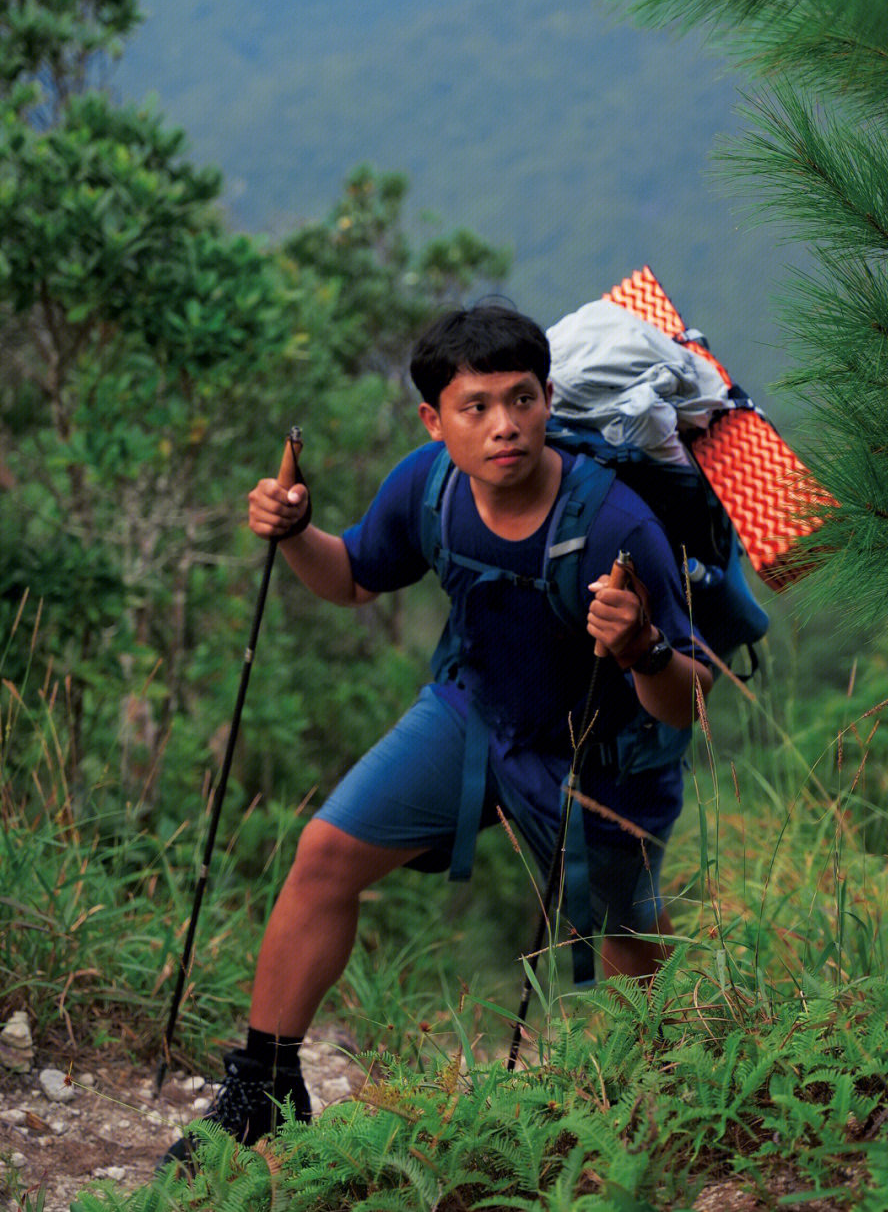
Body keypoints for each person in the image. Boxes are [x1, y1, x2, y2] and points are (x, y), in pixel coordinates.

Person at [161, 304, 712, 1165]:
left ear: (548, 398)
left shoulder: (615, 524)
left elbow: (686, 702)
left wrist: (641, 647)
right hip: (474, 712)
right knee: (325, 852)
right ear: (435, 419)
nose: (505, 426)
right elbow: (352, 580)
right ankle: (263, 1086)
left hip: (600, 755)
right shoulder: (430, 487)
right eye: (478, 406)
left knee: (624, 939)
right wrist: (299, 532)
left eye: (522, 400)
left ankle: (660, 1106)